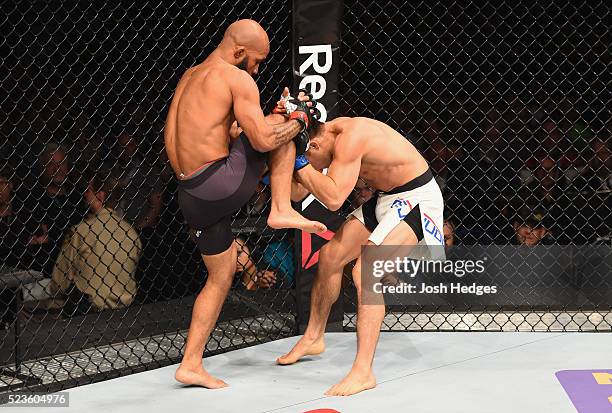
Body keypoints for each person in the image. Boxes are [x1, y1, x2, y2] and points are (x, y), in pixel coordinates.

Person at [164, 19, 325, 389]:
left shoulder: (191, 75)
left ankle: (190, 363)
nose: (256, 69)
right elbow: (267, 140)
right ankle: (281, 207)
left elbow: (196, 133)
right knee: (283, 128)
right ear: (238, 53)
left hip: (190, 194)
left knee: (220, 276)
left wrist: (235, 135)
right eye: (255, 61)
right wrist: (297, 118)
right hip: (219, 184)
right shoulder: (237, 79)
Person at [277, 116, 444, 396]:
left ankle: (363, 371)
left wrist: (300, 164)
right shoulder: (327, 138)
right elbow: (298, 191)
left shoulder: (351, 138)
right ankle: (313, 337)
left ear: (314, 145)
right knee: (329, 256)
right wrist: (284, 160)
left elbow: (332, 199)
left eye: (308, 156)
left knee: (367, 270)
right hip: (386, 198)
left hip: (416, 199)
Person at [48, 169, 141, 314]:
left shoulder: (81, 231)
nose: (85, 194)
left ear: (100, 196)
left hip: (89, 310)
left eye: (89, 191)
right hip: (127, 308)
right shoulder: (130, 232)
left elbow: (59, 282)